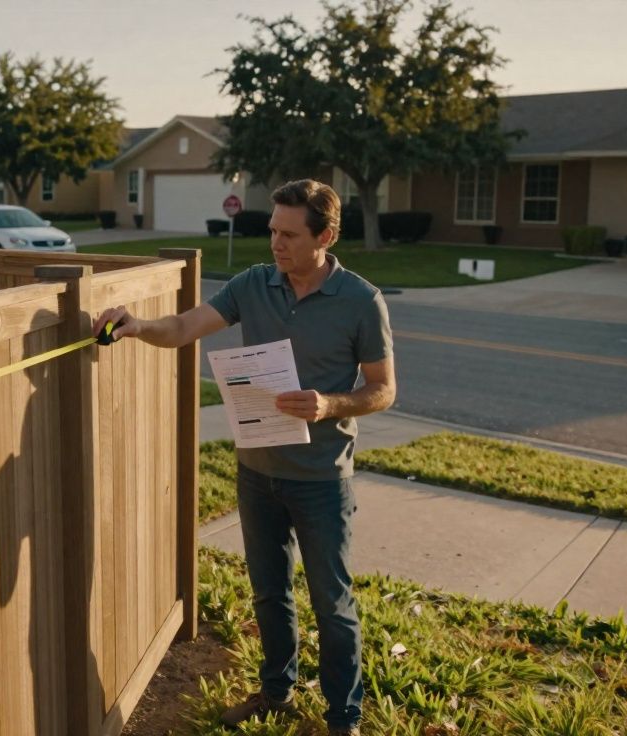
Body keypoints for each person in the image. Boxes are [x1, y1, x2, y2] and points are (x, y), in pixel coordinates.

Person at [92, 178, 394, 735]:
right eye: (272, 231)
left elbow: (383, 389)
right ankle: (277, 693)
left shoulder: (360, 301)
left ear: (325, 236)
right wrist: (138, 326)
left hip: (321, 479)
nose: (276, 243)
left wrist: (329, 404)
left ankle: (343, 718)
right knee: (269, 592)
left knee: (331, 602)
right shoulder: (254, 284)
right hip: (257, 474)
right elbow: (184, 326)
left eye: (289, 235)